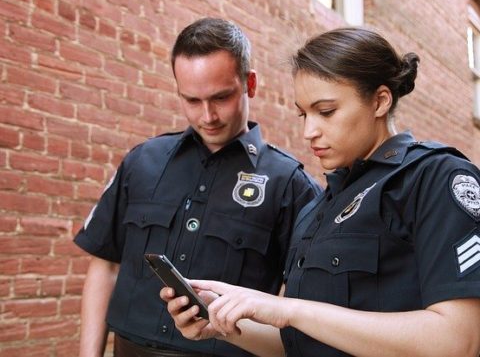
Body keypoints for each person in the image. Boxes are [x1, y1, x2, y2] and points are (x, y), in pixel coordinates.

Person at [161, 27, 480, 357]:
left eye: (326, 111)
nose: (308, 131)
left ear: (380, 101)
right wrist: (225, 321)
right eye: (303, 114)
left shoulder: (435, 178)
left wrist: (289, 309)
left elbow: (459, 341)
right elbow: (298, 343)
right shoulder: (317, 208)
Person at [74, 17, 320, 357]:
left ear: (250, 83)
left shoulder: (291, 186)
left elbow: (298, 309)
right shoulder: (143, 161)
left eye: (221, 97)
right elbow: (106, 266)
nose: (207, 116)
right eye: (191, 100)